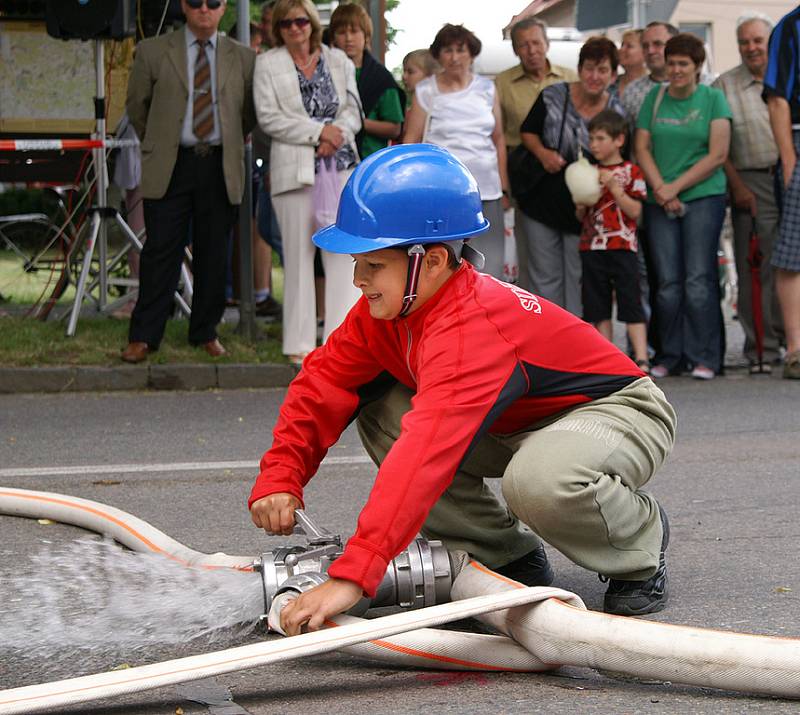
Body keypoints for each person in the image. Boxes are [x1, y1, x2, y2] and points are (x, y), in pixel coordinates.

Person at [248, 145, 676, 635]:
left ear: (429, 261)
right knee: (383, 410)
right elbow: (321, 385)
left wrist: (352, 577)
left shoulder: (472, 326)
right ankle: (506, 559)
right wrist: (282, 474)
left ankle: (637, 541)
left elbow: (425, 454)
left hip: (616, 409)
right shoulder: (386, 312)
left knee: (537, 483)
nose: (357, 278)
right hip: (514, 421)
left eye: (371, 264)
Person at [121, 0, 256, 363]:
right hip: (171, 162)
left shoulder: (242, 57)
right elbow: (137, 105)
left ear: (224, 7)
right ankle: (144, 335)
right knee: (160, 251)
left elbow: (248, 114)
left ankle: (205, 332)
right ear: (183, 6)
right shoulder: (152, 50)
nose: (204, 9)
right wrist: (163, 140)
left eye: (213, 2)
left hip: (218, 164)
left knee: (214, 252)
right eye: (196, 1)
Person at [253, 0, 362, 365]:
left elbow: (353, 111)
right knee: (298, 259)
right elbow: (269, 117)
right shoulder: (267, 64)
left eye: (301, 21)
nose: (294, 28)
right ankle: (299, 345)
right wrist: (319, 133)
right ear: (278, 29)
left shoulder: (339, 61)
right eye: (286, 23)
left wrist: (335, 135)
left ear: (313, 24)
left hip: (342, 168)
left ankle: (340, 344)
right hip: (295, 170)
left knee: (342, 258)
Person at [635, 33, 732, 380]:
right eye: (671, 62)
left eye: (683, 64)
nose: (676, 69)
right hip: (659, 198)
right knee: (667, 282)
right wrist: (660, 187)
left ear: (697, 67)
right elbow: (642, 146)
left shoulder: (712, 98)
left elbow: (718, 154)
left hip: (703, 196)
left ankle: (704, 356)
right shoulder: (655, 97)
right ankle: (670, 354)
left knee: (698, 279)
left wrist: (673, 187)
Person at [517, 36, 625, 316]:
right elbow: (527, 131)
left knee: (580, 278)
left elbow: (622, 154)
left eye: (602, 70)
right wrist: (543, 153)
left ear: (613, 75)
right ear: (579, 68)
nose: (594, 76)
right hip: (542, 200)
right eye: (589, 68)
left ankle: (576, 347)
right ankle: (546, 344)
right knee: (545, 278)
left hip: (587, 210)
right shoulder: (553, 95)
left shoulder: (617, 109)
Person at [403, 23, 510, 279]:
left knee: (490, 265)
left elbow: (498, 139)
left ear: (471, 53)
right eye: (447, 50)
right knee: (446, 264)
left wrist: (505, 187)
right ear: (438, 55)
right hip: (444, 192)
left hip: (487, 189)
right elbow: (411, 139)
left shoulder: (487, 89)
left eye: (460, 50)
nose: (454, 57)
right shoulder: (426, 90)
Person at [714, 13, 782, 374]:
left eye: (758, 40)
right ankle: (763, 348)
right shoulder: (724, 85)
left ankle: (792, 340)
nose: (751, 47)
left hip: (791, 177)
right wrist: (737, 186)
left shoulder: (788, 75)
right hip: (751, 180)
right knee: (757, 265)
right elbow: (718, 147)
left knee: (791, 265)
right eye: (745, 42)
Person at [494, 17, 577, 291]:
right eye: (523, 45)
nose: (531, 51)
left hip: (566, 177)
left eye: (536, 43)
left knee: (574, 263)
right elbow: (498, 136)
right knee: (535, 261)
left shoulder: (570, 78)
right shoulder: (502, 84)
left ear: (547, 44)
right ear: (516, 50)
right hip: (526, 179)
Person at [576, 110, 649, 370]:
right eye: (591, 138)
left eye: (600, 138)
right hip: (591, 246)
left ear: (619, 140)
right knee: (597, 304)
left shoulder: (632, 172)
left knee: (631, 301)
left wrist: (615, 188)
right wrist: (582, 200)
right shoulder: (586, 171)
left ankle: (641, 357)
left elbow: (636, 211)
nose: (593, 144)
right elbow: (580, 213)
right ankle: (607, 360)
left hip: (623, 246)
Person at [764, 4, 800, 380]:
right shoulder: (791, 26)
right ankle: (795, 349)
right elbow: (777, 98)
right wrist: (789, 159)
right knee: (792, 252)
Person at [328, 3, 405, 158]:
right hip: (331, 159)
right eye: (342, 32)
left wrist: (357, 122)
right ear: (333, 37)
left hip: (370, 160)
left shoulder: (381, 79)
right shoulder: (323, 73)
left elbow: (395, 128)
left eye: (354, 31)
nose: (348, 38)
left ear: (366, 35)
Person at [621, 22, 678, 130]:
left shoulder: (704, 85)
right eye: (645, 46)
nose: (650, 51)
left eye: (658, 44)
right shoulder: (632, 91)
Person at [611, 29, 646, 101]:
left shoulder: (653, 87)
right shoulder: (611, 83)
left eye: (629, 46)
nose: (621, 50)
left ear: (645, 52)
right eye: (622, 45)